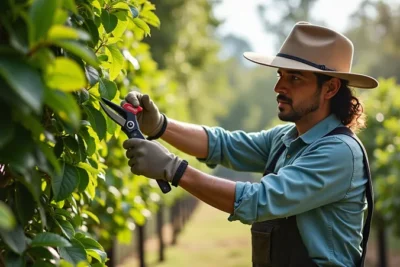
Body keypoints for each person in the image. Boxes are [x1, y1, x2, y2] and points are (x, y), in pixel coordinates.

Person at [122, 22, 378, 267]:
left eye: (295, 78)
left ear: (330, 88)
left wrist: (173, 169)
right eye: (280, 75)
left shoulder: (339, 153)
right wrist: (159, 126)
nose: (279, 87)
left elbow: (259, 200)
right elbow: (223, 144)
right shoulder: (285, 139)